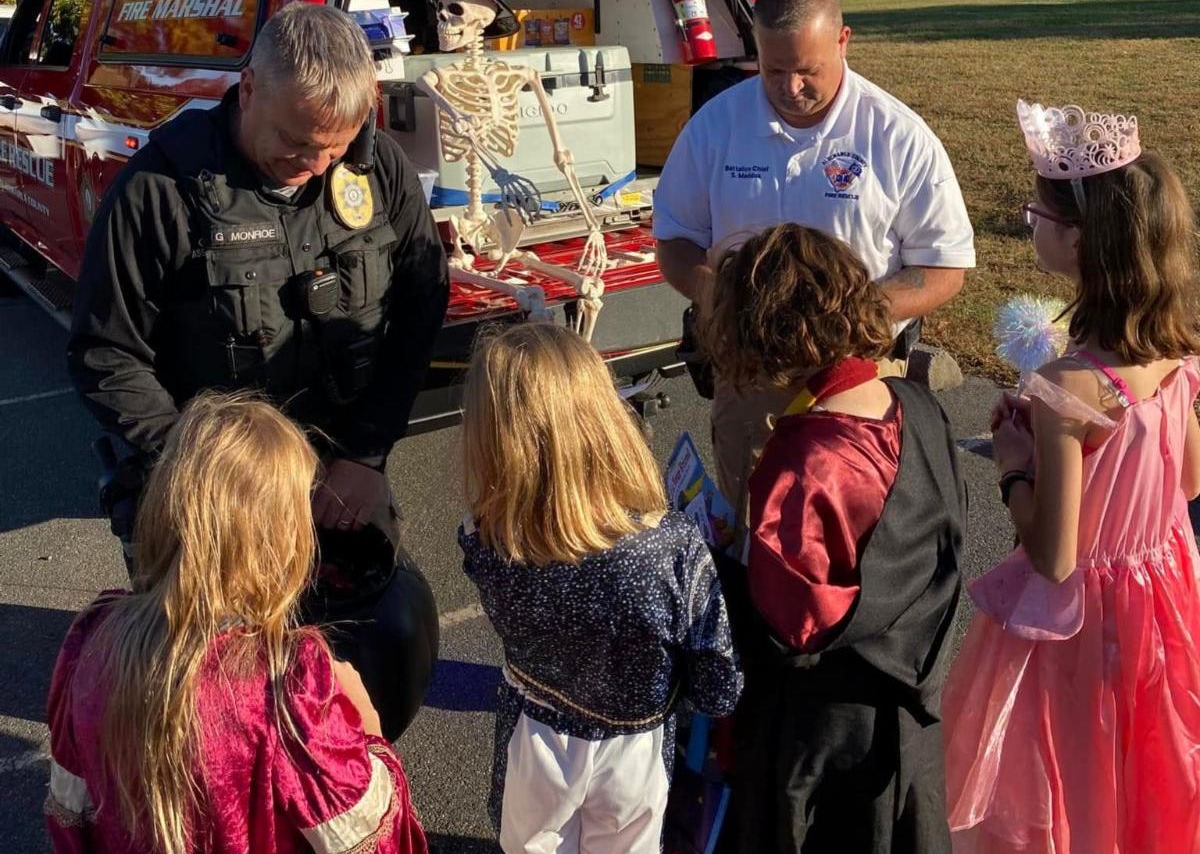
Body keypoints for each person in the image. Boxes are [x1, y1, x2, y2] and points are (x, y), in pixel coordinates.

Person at [68, 0, 449, 548]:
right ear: (247, 89)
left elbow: (422, 304)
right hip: (219, 497)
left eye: (335, 146)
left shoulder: (379, 165)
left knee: (386, 604)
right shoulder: (160, 191)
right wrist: (198, 465)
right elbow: (107, 354)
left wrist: (367, 453)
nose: (314, 166)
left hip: (347, 478)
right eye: (295, 141)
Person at [942, 101, 1200, 852]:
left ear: (1080, 238)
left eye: (1038, 214)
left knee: (1080, 769)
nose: (1032, 225)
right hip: (1163, 603)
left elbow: (1055, 557)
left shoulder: (1066, 386)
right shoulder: (1177, 354)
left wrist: (1014, 467)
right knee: (1149, 759)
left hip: (1087, 623)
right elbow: (1187, 484)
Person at [44, 391, 428, 854]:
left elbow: (71, 814)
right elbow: (371, 839)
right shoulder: (286, 685)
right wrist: (371, 735)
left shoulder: (92, 641)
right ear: (280, 538)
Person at [653, 0, 975, 517]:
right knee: (753, 526)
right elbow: (675, 238)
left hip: (859, 376)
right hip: (750, 375)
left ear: (843, 40)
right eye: (774, 70)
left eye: (808, 71)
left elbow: (944, 266)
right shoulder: (715, 127)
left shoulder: (897, 135)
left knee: (862, 530)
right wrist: (718, 296)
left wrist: (850, 317)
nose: (790, 87)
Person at [702, 223, 966, 853]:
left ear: (759, 336)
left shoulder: (804, 462)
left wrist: (717, 569)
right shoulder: (916, 406)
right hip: (909, 703)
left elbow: (792, 625)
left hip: (820, 736)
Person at [457, 323, 743, 854]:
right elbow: (718, 679)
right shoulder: (672, 545)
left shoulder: (486, 541)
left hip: (537, 733)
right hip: (635, 747)